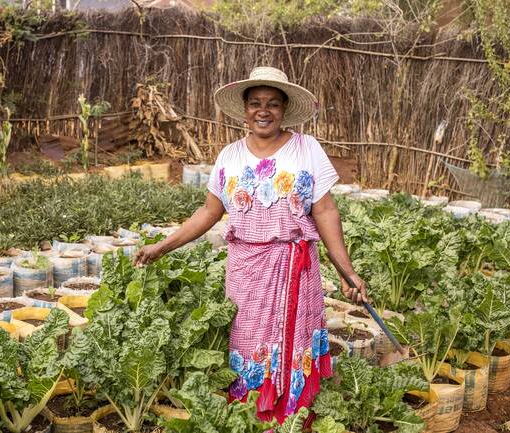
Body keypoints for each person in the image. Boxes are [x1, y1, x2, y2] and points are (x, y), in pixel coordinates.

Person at [134, 66, 368, 424]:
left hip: (294, 271)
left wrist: (347, 271)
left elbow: (325, 211)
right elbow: (210, 211)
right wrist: (162, 246)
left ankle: (290, 419)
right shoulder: (229, 156)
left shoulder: (307, 149)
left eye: (273, 104)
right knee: (245, 342)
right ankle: (249, 416)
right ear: (244, 109)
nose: (264, 111)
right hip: (245, 270)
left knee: (293, 346)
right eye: (256, 103)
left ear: (284, 109)